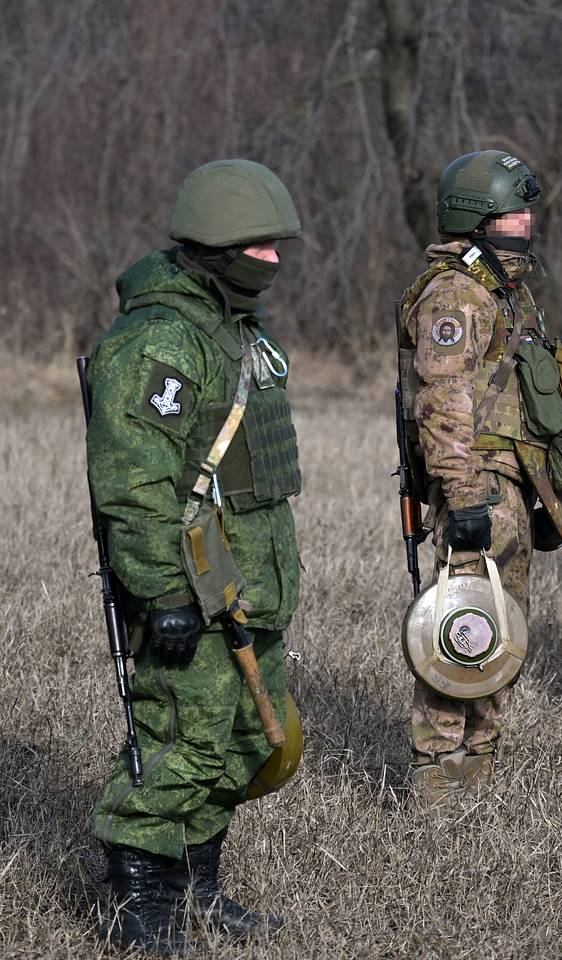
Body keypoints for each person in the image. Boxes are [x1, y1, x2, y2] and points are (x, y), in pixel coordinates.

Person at [86, 159, 303, 952]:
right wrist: (161, 593)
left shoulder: (237, 329)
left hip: (244, 582)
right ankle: (137, 907)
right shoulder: (159, 341)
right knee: (185, 741)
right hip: (190, 581)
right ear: (216, 247)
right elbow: (132, 484)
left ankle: (199, 888)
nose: (273, 261)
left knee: (246, 738)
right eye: (259, 246)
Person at [399, 150, 562, 803]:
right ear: (479, 218)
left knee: (506, 627)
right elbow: (442, 403)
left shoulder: (512, 291)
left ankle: (480, 761)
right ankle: (438, 775)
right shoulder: (456, 295)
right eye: (513, 211)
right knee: (463, 625)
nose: (527, 221)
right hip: (475, 482)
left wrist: (547, 494)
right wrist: (462, 494)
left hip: (514, 481)